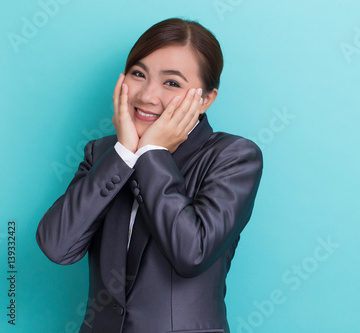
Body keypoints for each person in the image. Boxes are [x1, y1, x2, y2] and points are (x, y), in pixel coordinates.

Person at [36, 18, 263, 333]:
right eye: (138, 74)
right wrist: (125, 154)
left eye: (171, 83)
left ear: (206, 99)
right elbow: (57, 246)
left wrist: (152, 154)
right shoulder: (102, 153)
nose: (146, 96)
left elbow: (191, 253)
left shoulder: (234, 156)